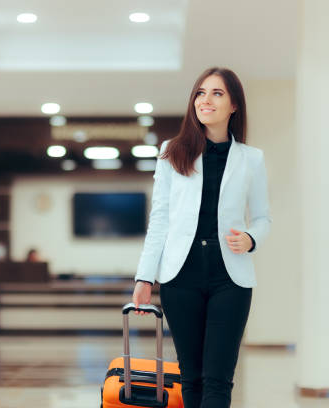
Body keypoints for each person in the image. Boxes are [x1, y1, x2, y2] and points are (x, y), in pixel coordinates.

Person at [132, 67, 271, 408]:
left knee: (218, 379)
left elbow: (264, 217)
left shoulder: (251, 159)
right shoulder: (171, 151)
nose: (205, 100)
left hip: (231, 277)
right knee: (191, 378)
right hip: (181, 275)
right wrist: (144, 276)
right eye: (200, 93)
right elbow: (160, 219)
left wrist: (251, 238)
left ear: (234, 104)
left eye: (217, 93)